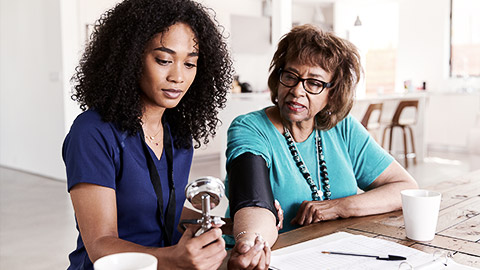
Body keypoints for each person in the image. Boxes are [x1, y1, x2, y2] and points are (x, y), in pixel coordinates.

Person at [225, 24, 418, 269]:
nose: (297, 91)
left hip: (334, 256)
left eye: (314, 83)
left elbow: (404, 187)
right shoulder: (249, 128)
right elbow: (253, 204)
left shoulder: (343, 128)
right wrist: (251, 245)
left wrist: (337, 207)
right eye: (290, 76)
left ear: (332, 93)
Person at [62, 0, 234, 269]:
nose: (178, 76)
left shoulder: (177, 133)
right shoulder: (93, 133)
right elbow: (100, 245)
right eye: (164, 60)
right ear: (129, 58)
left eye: (190, 64)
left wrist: (230, 225)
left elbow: (165, 210)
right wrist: (174, 259)